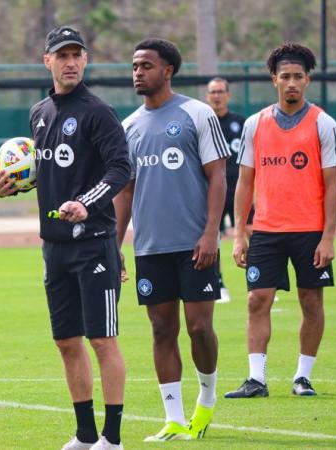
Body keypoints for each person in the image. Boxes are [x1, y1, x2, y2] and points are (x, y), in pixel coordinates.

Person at [0, 26, 131, 450]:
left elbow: (120, 168)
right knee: (66, 340)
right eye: (61, 55)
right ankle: (86, 436)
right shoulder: (39, 113)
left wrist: (86, 203)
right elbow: (47, 173)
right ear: (46, 61)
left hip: (94, 242)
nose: (70, 62)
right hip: (54, 246)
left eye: (77, 54)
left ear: (85, 60)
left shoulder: (98, 112)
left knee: (102, 339)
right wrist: (13, 185)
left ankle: (113, 438)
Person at [115, 38, 230, 441]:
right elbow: (124, 192)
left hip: (195, 244)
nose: (137, 72)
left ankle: (207, 398)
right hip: (150, 247)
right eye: (134, 66)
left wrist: (211, 233)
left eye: (146, 65)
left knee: (199, 328)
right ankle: (174, 419)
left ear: (167, 70)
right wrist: (115, 247)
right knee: (162, 330)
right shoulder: (127, 127)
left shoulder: (197, 113)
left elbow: (218, 175)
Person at [224, 43, 336, 399]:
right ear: (274, 79)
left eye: (298, 77)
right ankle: (256, 379)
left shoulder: (324, 123)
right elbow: (245, 180)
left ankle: (303, 377)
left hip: (310, 231)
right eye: (285, 76)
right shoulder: (254, 124)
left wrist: (328, 237)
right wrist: (239, 234)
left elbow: (333, 184)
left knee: (311, 302)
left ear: (307, 80)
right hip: (266, 230)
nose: (291, 83)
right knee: (256, 300)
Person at [205, 77, 247, 304]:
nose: (217, 95)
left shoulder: (242, 123)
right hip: (214, 192)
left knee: (251, 231)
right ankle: (218, 283)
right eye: (213, 92)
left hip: (241, 189)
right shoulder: (203, 124)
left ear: (228, 95)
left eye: (221, 91)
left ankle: (258, 279)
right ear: (207, 96)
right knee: (215, 236)